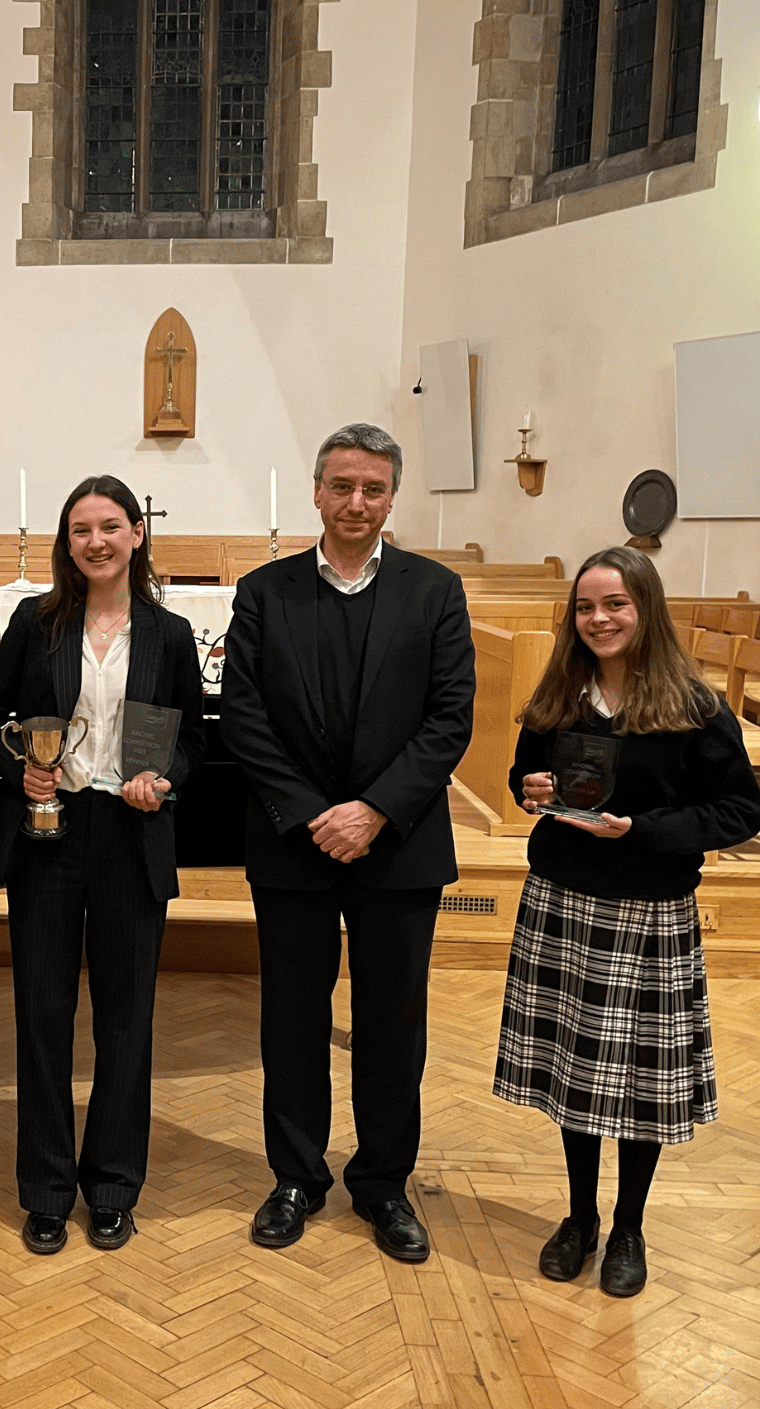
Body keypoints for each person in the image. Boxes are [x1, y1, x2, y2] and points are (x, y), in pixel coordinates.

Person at [219, 422, 475, 1263]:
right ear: (318, 492)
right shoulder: (265, 593)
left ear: (392, 495)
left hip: (397, 845)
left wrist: (373, 811)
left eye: (373, 488)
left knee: (392, 1023)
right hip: (294, 843)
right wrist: (311, 812)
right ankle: (295, 1176)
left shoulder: (434, 592)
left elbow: (448, 721)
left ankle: (384, 1184)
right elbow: (245, 717)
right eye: (342, 486)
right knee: (291, 1019)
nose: (356, 502)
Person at [496, 548, 760, 1297]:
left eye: (615, 605)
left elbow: (741, 812)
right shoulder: (559, 695)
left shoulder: (694, 706)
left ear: (645, 609)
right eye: (586, 608)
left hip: (647, 908)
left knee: (639, 1082)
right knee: (572, 1070)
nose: (599, 619)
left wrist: (640, 831)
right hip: (562, 899)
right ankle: (578, 1216)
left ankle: (629, 1226)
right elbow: (523, 778)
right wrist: (532, 787)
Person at [0, 477, 206, 1255]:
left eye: (111, 526)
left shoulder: (170, 634)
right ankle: (45, 1189)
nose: (97, 542)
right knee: (42, 1017)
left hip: (130, 834)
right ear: (66, 541)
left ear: (138, 534)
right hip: (49, 832)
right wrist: (21, 771)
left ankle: (112, 1185)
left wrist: (165, 775)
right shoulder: (35, 623)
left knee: (125, 1021)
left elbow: (194, 738)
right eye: (81, 529)